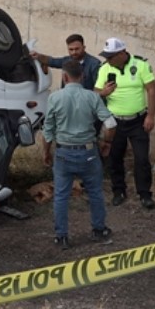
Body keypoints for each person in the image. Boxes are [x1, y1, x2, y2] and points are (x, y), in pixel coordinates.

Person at [41, 57, 116, 249]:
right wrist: (107, 142)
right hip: (89, 153)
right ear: (82, 76)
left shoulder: (54, 98)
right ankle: (99, 230)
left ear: (65, 77)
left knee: (61, 196)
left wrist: (46, 153)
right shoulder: (92, 97)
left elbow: (48, 131)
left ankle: (62, 236)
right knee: (95, 193)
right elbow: (110, 123)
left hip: (64, 153)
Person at [93, 38, 155, 208]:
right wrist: (104, 92)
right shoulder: (104, 69)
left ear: (122, 54)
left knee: (142, 158)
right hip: (114, 122)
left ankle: (144, 194)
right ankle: (118, 191)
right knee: (115, 158)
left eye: (111, 56)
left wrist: (150, 116)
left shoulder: (140, 64)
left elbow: (151, 89)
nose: (108, 60)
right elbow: (96, 91)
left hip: (138, 121)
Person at [29, 33, 103, 90]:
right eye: (71, 49)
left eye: (77, 49)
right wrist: (38, 56)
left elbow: (98, 88)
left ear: (84, 47)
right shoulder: (67, 61)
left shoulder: (94, 64)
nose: (74, 52)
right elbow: (52, 61)